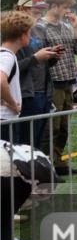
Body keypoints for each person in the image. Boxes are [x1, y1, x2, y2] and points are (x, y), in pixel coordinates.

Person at [37, 0, 77, 175]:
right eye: (65, 7)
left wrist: (76, 28)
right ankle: (46, 165)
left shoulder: (66, 26)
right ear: (54, 6)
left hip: (68, 81)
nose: (68, 11)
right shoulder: (40, 27)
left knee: (64, 126)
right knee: (52, 126)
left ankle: (58, 162)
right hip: (52, 82)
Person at [14, 0, 59, 148]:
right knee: (23, 143)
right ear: (21, 9)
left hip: (44, 92)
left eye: (41, 11)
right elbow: (9, 68)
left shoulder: (40, 30)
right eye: (35, 10)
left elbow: (42, 63)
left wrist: (53, 56)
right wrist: (36, 58)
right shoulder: (9, 32)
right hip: (25, 95)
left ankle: (34, 171)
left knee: (38, 141)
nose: (39, 14)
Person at [1, 12, 35, 143]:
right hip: (4, 120)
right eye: (29, 33)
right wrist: (13, 104)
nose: (31, 36)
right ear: (22, 35)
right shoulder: (7, 56)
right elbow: (1, 80)